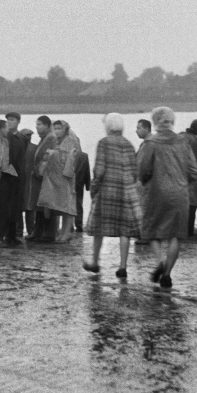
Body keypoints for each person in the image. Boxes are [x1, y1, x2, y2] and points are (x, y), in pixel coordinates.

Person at [138, 106, 197, 289]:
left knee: (151, 230)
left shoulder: (150, 143)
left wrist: (147, 180)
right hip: (180, 194)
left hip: (157, 192)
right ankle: (167, 275)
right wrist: (182, 182)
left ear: (155, 123)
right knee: (175, 235)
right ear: (172, 122)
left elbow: (142, 170)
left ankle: (161, 260)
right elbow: (194, 171)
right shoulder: (183, 142)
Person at [84, 113, 142, 279]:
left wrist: (94, 187)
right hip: (126, 191)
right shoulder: (129, 144)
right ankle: (122, 267)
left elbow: (99, 169)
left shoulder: (104, 143)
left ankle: (95, 262)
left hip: (107, 191)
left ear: (108, 127)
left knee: (98, 228)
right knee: (125, 230)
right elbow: (134, 172)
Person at [37, 120, 77, 243]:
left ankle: (67, 232)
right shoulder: (57, 141)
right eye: (56, 129)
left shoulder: (70, 141)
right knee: (62, 205)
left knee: (68, 205)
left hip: (66, 177)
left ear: (65, 129)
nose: (57, 131)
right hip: (57, 178)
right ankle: (63, 231)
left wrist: (52, 154)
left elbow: (71, 157)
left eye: (60, 128)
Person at [26, 116, 55, 241]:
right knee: (39, 204)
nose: (37, 127)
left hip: (45, 176)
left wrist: (39, 171)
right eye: (36, 124)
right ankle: (38, 231)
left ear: (47, 126)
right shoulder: (45, 138)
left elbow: (48, 157)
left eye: (40, 124)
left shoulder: (51, 138)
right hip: (39, 177)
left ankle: (47, 233)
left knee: (46, 205)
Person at [4, 113, 26, 245]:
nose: (9, 122)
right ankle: (4, 235)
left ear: (18, 122)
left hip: (18, 176)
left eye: (12, 120)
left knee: (16, 207)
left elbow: (22, 157)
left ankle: (14, 235)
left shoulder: (22, 138)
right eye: (7, 120)